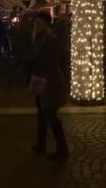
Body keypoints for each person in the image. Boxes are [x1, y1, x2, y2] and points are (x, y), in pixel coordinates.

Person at [29, 12, 68, 160]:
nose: (36, 25)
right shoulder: (39, 38)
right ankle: (41, 144)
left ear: (46, 24)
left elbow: (50, 63)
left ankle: (62, 149)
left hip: (51, 83)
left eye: (38, 22)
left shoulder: (49, 40)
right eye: (35, 23)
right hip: (41, 81)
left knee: (51, 116)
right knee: (42, 115)